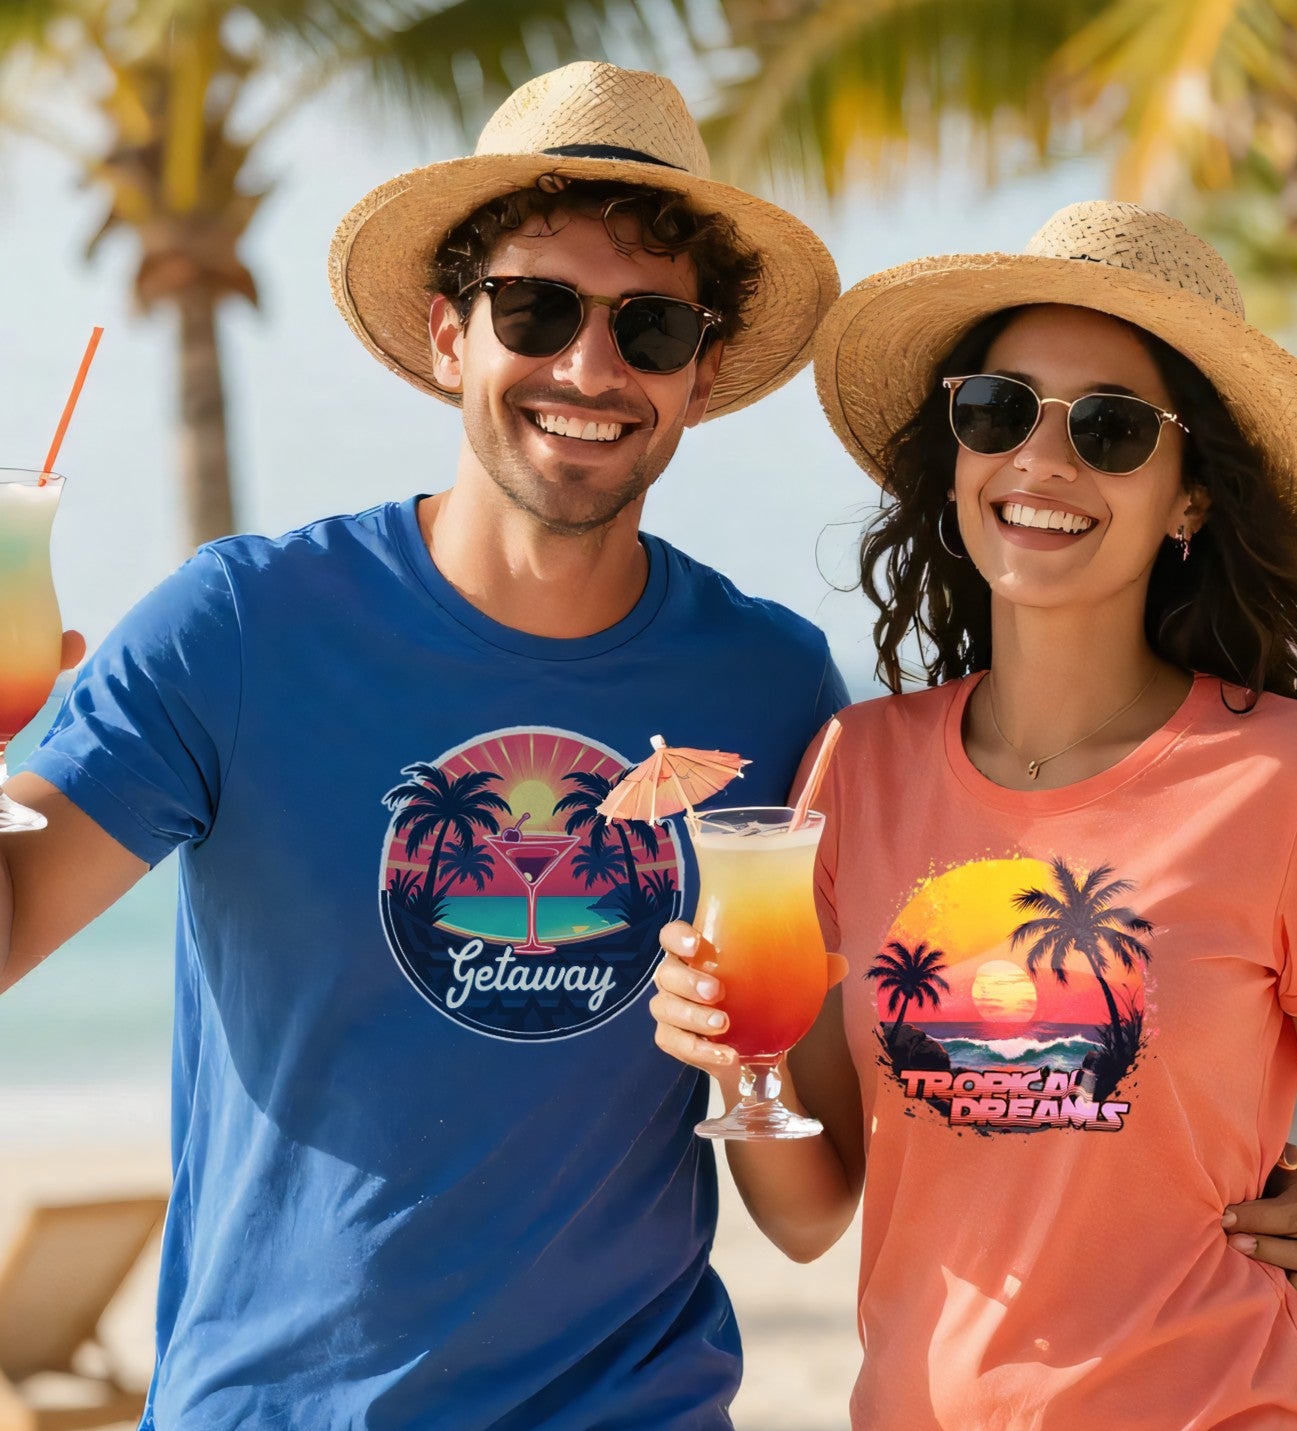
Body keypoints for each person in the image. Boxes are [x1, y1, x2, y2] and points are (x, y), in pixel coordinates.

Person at [0, 62, 853, 1428]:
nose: (589, 364)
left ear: (697, 375)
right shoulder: (238, 626)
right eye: (536, 307)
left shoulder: (768, 684)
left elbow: (812, 1194)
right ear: (450, 336)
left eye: (647, 326)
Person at [651, 200, 1297, 1427]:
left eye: (1113, 429)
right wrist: (734, 1053)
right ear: (957, 458)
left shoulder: (1288, 776)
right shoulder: (857, 765)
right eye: (998, 410)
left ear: (1190, 500)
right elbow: (809, 1217)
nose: (1041, 460)